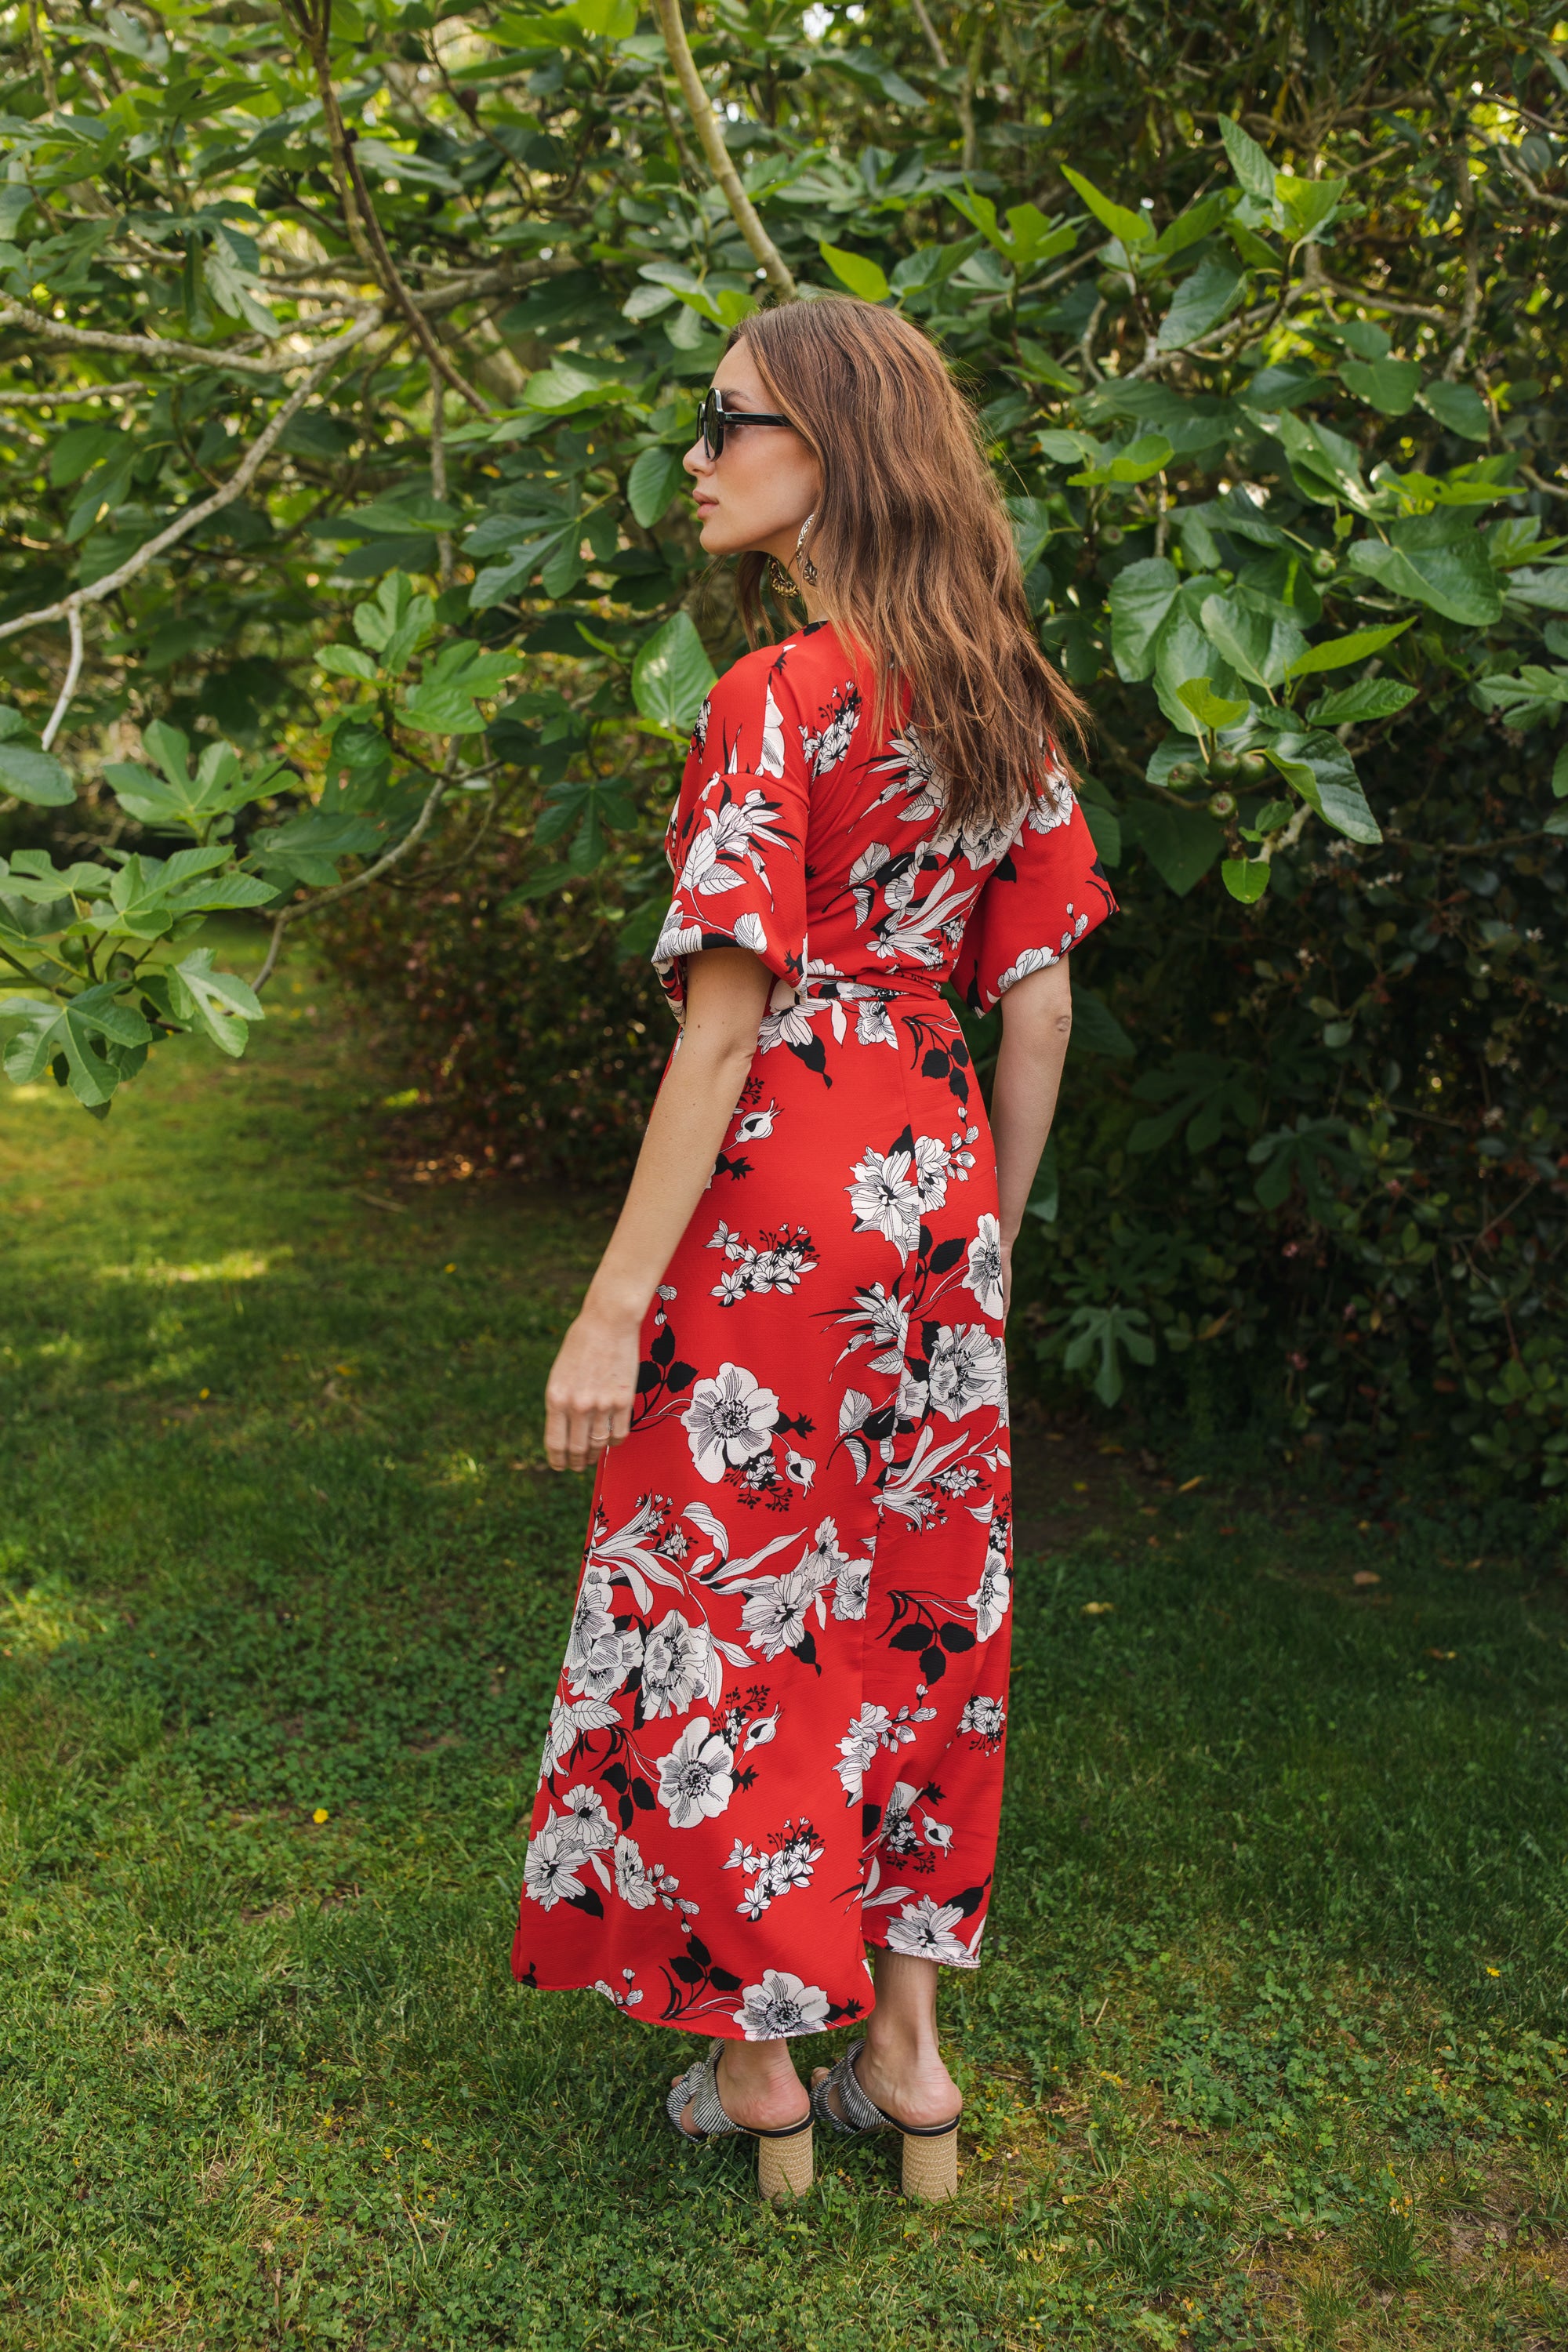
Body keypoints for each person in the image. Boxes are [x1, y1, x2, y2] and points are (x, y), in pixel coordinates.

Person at [512, 295, 1115, 2202]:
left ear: (831, 452)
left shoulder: (772, 695)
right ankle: (912, 2064)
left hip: (780, 1180)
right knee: (926, 1609)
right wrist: (977, 1260)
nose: (696, 455)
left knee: (732, 1606)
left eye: (726, 420)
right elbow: (1039, 1016)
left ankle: (763, 2074)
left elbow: (718, 1023)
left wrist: (610, 1308)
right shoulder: (1002, 684)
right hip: (933, 1188)